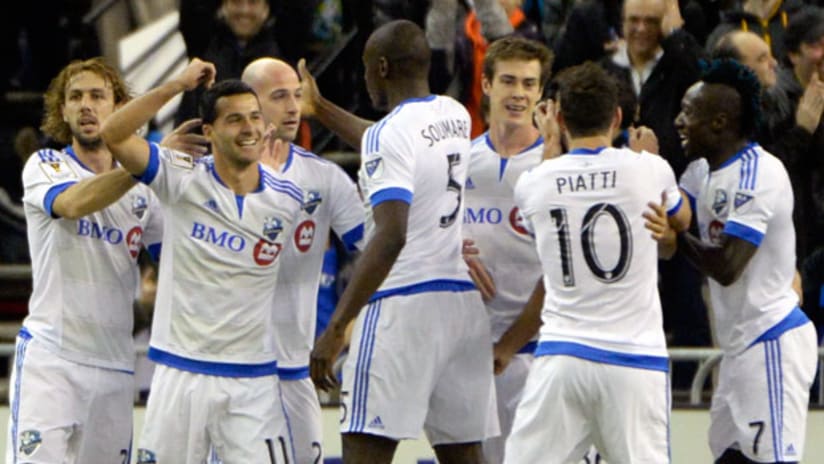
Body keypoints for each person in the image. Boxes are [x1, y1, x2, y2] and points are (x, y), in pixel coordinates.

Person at [309, 19, 498, 464]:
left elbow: (391, 234)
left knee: (364, 449)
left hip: (402, 306)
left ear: (381, 67)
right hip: (460, 308)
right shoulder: (453, 114)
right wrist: (320, 108)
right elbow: (390, 143)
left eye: (364, 69)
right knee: (465, 455)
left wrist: (337, 326)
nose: (363, 79)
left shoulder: (387, 135)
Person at [100, 59, 303, 463]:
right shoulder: (181, 177)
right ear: (208, 131)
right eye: (234, 120)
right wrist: (175, 84)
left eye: (254, 118)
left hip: (254, 381)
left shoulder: (288, 198)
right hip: (182, 372)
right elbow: (114, 133)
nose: (248, 129)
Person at [502, 61, 690, 463]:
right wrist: (648, 163)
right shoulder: (648, 169)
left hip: (563, 357)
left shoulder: (534, 182)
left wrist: (551, 144)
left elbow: (547, 190)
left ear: (561, 118)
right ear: (618, 116)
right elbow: (684, 218)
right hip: (634, 360)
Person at [6, 57, 165, 463]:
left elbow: (177, 259)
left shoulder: (146, 194)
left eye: (98, 95)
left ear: (118, 107)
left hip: (114, 363)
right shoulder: (45, 165)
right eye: (75, 97)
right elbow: (73, 203)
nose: (86, 105)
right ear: (62, 110)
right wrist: (143, 165)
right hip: (51, 358)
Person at [676, 58, 817, 463]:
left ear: (719, 122)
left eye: (689, 112)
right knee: (730, 456)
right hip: (739, 348)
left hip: (770, 339)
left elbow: (726, 265)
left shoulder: (760, 174)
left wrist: (674, 234)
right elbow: (672, 215)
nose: (679, 122)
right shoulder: (699, 172)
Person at [241, 57, 365, 464]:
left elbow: (376, 249)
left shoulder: (324, 178)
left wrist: (340, 326)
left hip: (295, 370)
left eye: (297, 95)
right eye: (280, 97)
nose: (294, 107)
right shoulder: (215, 174)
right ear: (249, 103)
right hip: (231, 371)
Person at [458, 35, 551, 464]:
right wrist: (451, 247)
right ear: (487, 85)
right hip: (470, 353)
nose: (519, 94)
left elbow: (563, 269)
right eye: (509, 81)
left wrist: (511, 344)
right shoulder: (458, 161)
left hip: (535, 351)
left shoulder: (553, 166)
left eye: (529, 85)